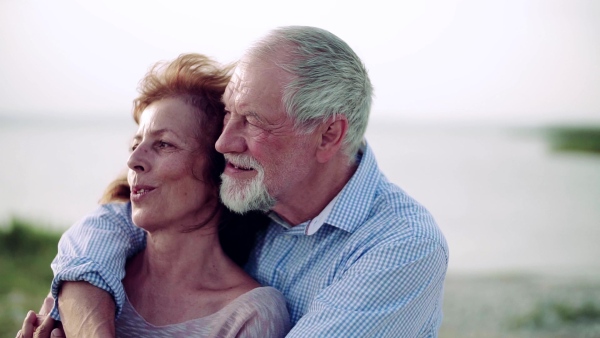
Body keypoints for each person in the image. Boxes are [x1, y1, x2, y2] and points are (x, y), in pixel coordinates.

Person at [31, 26, 449, 337]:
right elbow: (108, 225)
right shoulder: (261, 190)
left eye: (252, 120)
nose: (223, 141)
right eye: (230, 113)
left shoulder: (402, 246)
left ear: (327, 135)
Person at [18, 53, 290, 337]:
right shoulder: (89, 286)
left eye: (163, 144)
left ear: (220, 171)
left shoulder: (250, 314)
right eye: (136, 144)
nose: (134, 160)